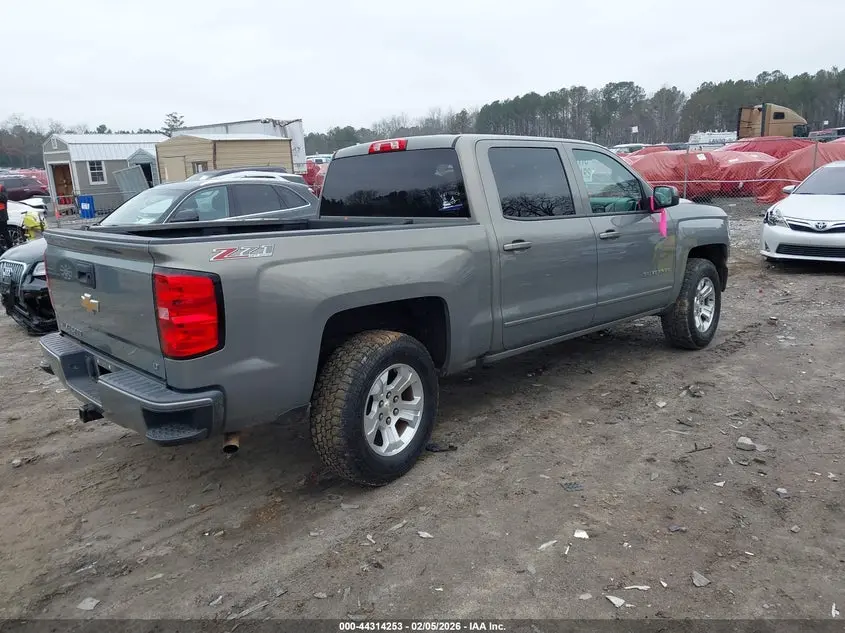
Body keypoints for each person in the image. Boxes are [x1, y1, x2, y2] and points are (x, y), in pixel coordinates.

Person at [0, 184, 10, 251]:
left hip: (1, 216)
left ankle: (10, 249)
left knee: (5, 234)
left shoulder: (1, 187)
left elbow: (5, 198)